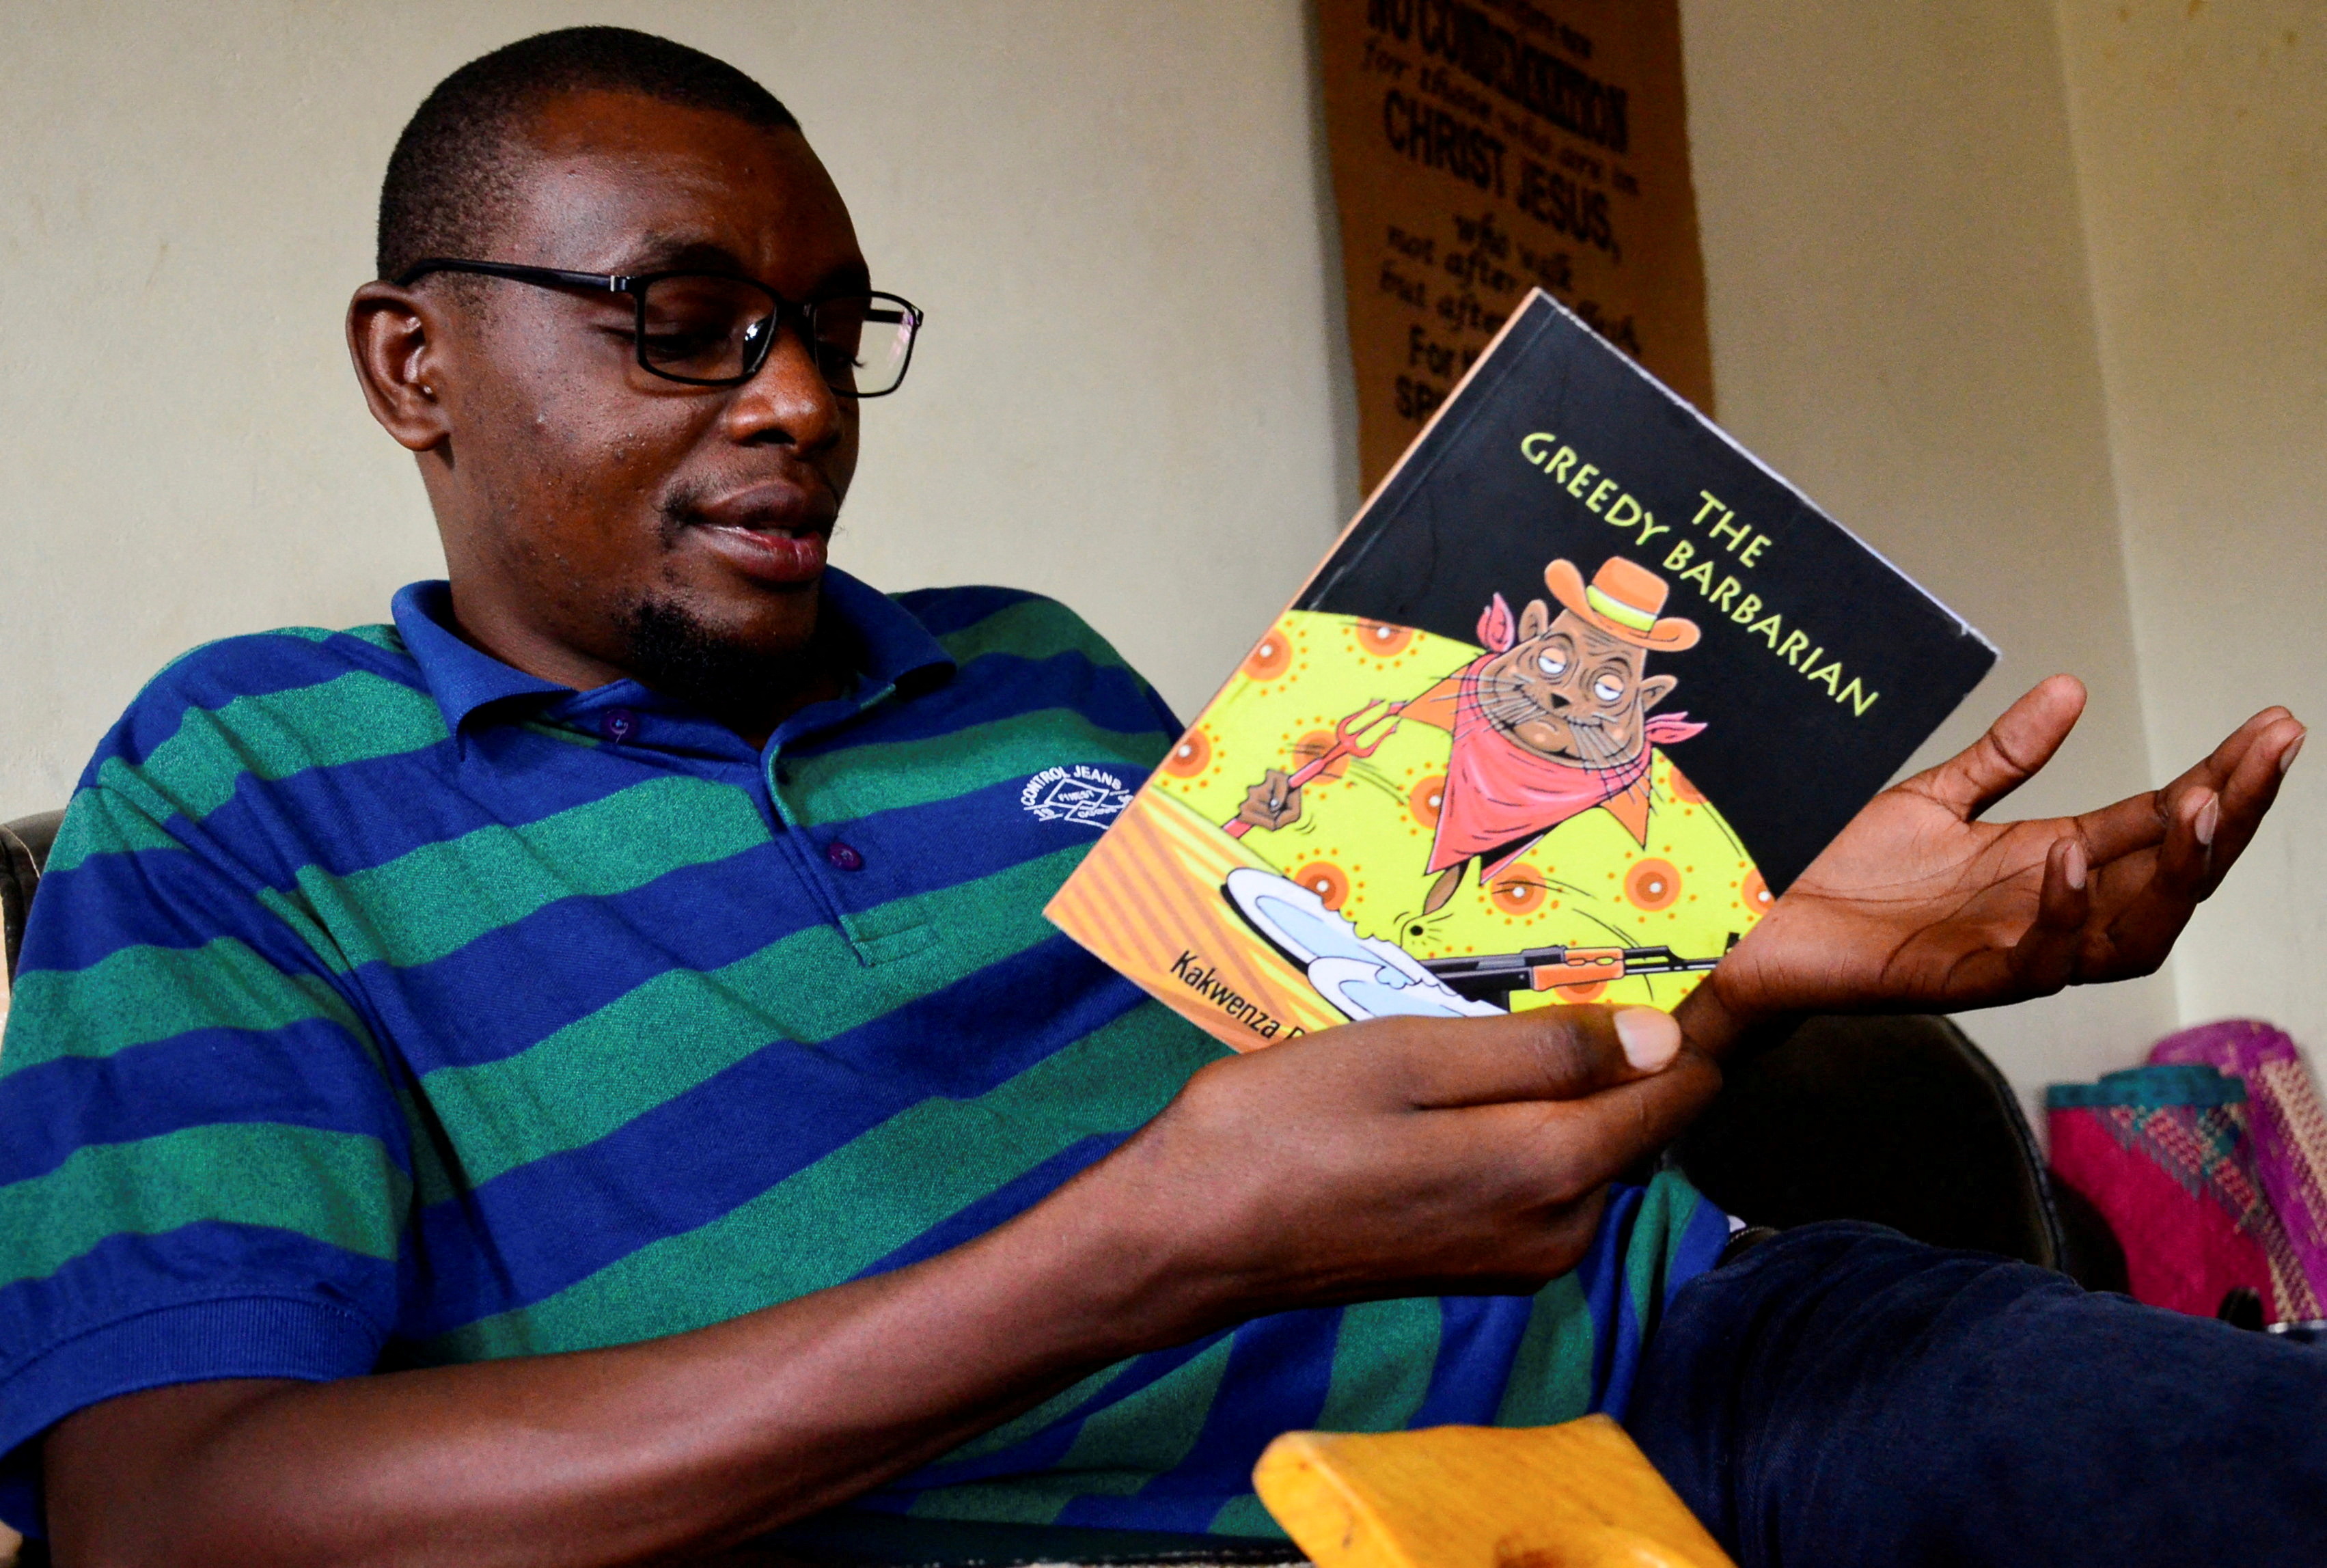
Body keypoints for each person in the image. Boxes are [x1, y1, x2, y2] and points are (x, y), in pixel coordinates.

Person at [1, 27, 2317, 1568]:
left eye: (832, 321)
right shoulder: (244, 791)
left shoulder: (1021, 659)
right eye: (684, 319)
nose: (799, 401)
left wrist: (1757, 947)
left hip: (1708, 1354)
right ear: (413, 361)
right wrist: (1149, 1250)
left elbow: (1471, 1061)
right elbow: (167, 1510)